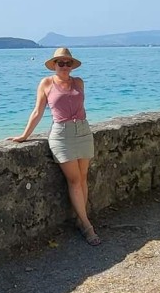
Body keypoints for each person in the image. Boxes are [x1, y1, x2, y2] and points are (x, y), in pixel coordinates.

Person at [8, 47, 100, 246]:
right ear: (54, 65)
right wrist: (25, 135)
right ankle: (86, 226)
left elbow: (81, 107)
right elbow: (38, 111)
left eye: (68, 63)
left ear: (72, 65)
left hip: (83, 131)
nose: (65, 66)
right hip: (61, 135)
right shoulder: (46, 83)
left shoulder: (78, 82)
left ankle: (80, 219)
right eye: (61, 63)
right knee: (74, 180)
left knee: (83, 178)